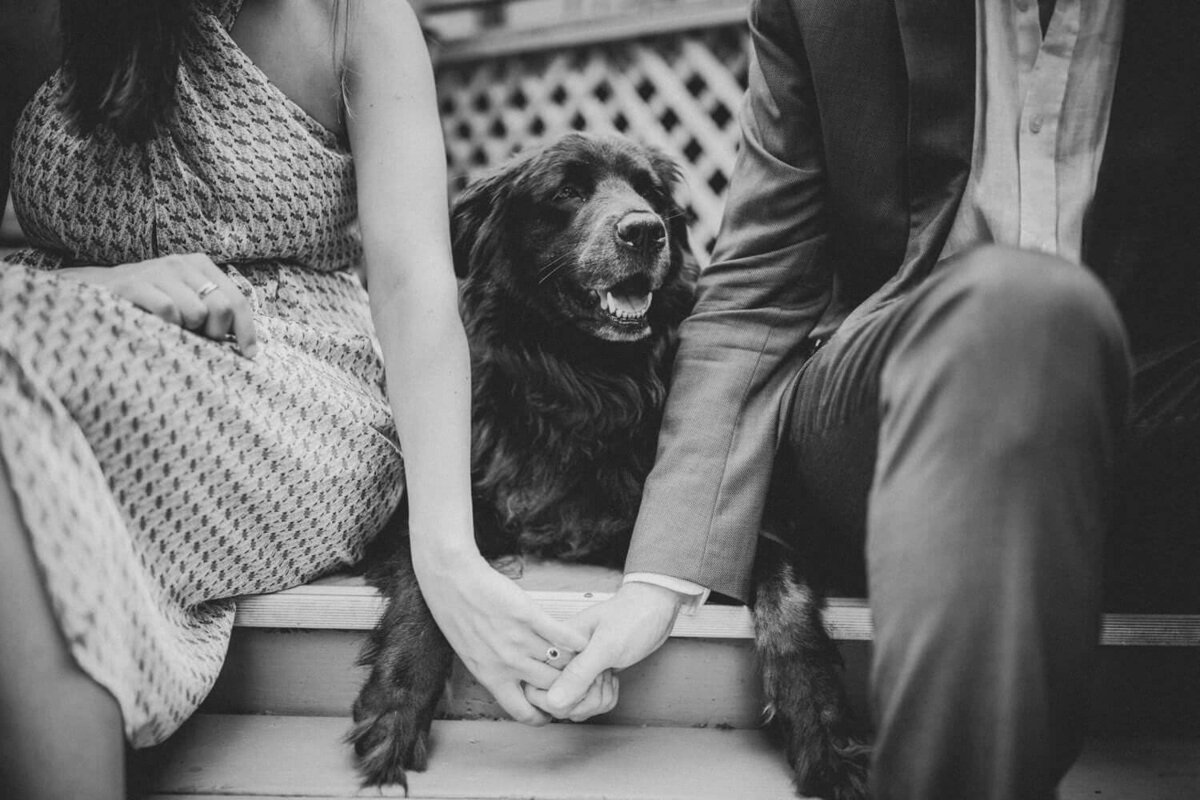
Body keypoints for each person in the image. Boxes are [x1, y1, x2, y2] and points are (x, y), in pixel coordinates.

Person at [537, 1, 1200, 798]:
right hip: (889, 395)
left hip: (1161, 396)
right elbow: (757, 287)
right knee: (1022, 309)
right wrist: (662, 574)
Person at [0, 2, 607, 798]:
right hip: (46, 332)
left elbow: (414, 288)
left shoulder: (353, 16)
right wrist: (93, 286)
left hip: (288, 382)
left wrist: (450, 558)